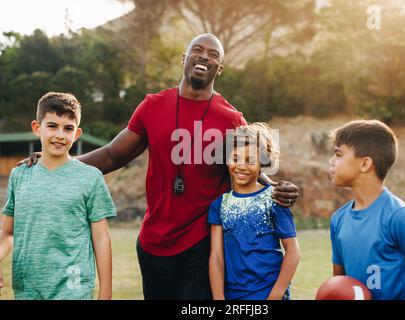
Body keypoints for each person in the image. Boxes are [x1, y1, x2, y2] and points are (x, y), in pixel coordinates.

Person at [21, 33, 299, 300]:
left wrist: (277, 189)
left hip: (202, 241)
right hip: (154, 241)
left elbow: (249, 168)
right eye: (197, 51)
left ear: (220, 68)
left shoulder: (231, 118)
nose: (204, 57)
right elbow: (112, 156)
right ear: (184, 58)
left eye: (213, 55)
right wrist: (58, 164)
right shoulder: (152, 106)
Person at [0, 92, 116, 300]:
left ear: (77, 133)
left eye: (68, 128)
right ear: (37, 128)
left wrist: (105, 293)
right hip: (28, 289)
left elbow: (101, 238)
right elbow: (8, 233)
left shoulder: (90, 178)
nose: (60, 135)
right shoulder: (19, 176)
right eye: (52, 126)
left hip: (73, 288)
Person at [328, 120, 405, 300]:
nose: (331, 161)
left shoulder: (400, 218)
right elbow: (341, 284)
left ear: (365, 164)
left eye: (338, 154)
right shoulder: (338, 219)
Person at [209, 123, 300, 300]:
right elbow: (216, 257)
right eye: (235, 158)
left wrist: (276, 294)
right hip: (234, 296)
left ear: (263, 163)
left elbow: (293, 251)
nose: (241, 166)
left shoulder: (274, 199)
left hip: (268, 293)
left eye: (250, 160)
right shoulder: (219, 205)